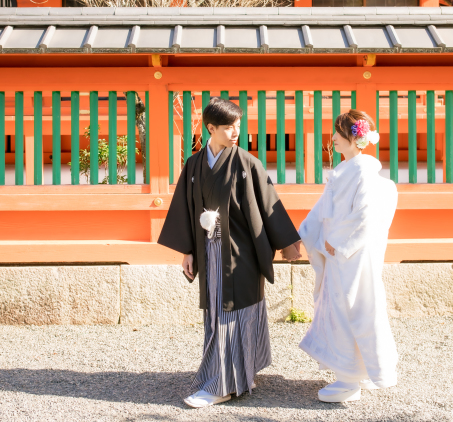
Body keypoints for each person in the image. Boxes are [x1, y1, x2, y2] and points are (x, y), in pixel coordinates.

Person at [157, 96, 303, 409]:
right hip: (210, 250)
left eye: (237, 125)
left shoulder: (248, 163)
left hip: (241, 254)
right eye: (227, 127)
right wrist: (187, 250)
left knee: (236, 312)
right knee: (218, 313)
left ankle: (221, 384)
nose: (235, 132)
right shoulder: (195, 164)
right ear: (210, 128)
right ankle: (236, 375)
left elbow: (268, 205)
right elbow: (185, 209)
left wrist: (288, 242)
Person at [297, 109, 399, 403]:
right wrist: (306, 231)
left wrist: (337, 241)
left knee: (351, 310)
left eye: (339, 135)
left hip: (350, 256)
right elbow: (323, 210)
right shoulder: (349, 170)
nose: (333, 140)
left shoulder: (363, 171)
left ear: (354, 140)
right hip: (342, 254)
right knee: (352, 309)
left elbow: (365, 214)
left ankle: (348, 379)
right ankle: (362, 370)